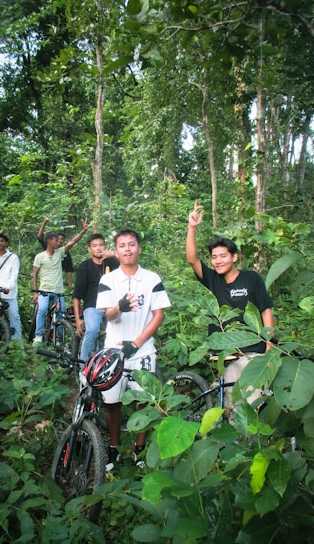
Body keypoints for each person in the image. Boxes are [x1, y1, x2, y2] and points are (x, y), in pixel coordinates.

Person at [186, 199, 275, 409]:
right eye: (214, 257)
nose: (218, 261)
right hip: (226, 355)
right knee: (232, 407)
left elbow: (266, 312)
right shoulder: (214, 280)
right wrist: (192, 227)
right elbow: (192, 259)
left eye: (223, 256)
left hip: (253, 353)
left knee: (255, 405)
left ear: (234, 257)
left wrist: (269, 350)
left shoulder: (251, 279)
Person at [96, 229, 171, 469]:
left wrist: (137, 343)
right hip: (114, 351)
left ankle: (139, 448)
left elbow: (158, 315)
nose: (127, 249)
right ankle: (114, 447)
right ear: (115, 251)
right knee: (112, 404)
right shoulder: (108, 279)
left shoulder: (151, 279)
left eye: (132, 244)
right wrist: (119, 307)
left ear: (139, 248)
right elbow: (108, 314)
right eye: (122, 245)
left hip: (143, 351)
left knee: (144, 402)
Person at [32, 219, 89, 344]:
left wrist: (83, 231)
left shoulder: (60, 253)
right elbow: (35, 274)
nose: (59, 242)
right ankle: (38, 336)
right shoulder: (40, 257)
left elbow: (73, 242)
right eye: (55, 240)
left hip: (58, 291)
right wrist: (35, 292)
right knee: (41, 310)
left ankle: (60, 339)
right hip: (44, 290)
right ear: (49, 241)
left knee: (61, 314)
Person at [73, 233, 119, 361]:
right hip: (93, 306)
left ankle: (112, 365)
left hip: (112, 306)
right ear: (89, 249)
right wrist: (78, 319)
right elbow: (76, 296)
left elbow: (129, 262)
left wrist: (114, 254)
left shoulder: (113, 263)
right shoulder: (84, 267)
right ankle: (83, 365)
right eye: (94, 246)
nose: (98, 248)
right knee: (92, 330)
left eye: (101, 245)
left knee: (116, 333)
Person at [37, 216, 74, 291]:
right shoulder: (48, 248)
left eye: (62, 239)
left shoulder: (64, 252)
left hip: (57, 282)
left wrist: (70, 282)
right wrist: (45, 222)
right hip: (46, 281)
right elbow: (40, 236)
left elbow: (69, 268)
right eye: (58, 239)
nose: (60, 241)